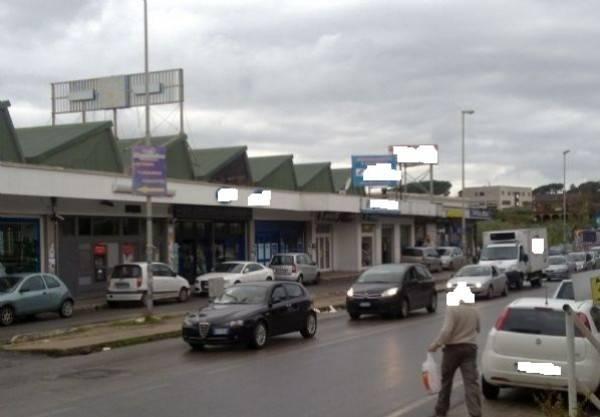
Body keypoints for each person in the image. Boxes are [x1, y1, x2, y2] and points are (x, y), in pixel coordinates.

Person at [428, 295, 482, 417]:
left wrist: (436, 345)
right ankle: (475, 413)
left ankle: (441, 412)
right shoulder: (474, 309)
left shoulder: (452, 309)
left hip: (452, 350)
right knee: (471, 383)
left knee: (446, 382)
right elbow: (478, 329)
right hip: (470, 349)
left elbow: (447, 331)